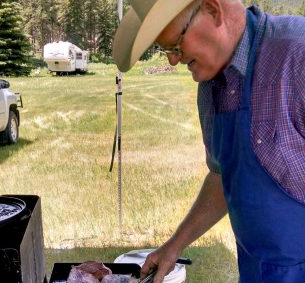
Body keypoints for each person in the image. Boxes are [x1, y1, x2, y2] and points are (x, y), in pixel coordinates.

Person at [112, 0, 305, 282]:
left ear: (213, 10)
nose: (172, 60)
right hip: (258, 272)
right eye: (166, 50)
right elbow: (224, 176)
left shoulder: (297, 54)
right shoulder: (211, 88)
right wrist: (173, 246)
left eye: (176, 45)